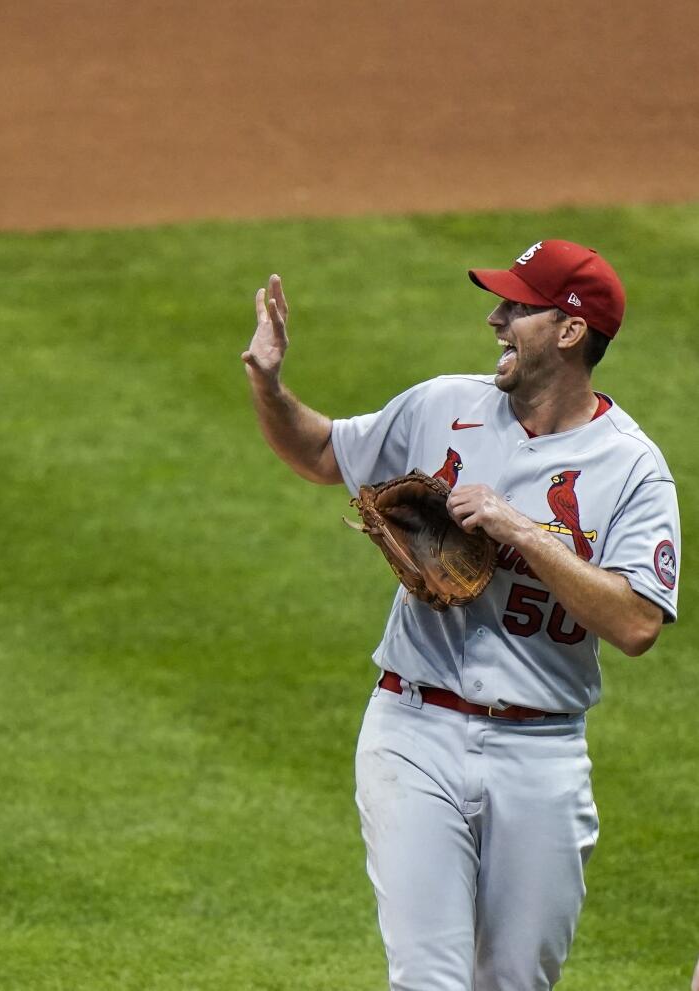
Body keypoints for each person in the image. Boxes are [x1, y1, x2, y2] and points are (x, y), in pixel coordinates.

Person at [241, 240, 680, 991]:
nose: (495, 317)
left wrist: (519, 532)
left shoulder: (632, 469)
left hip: (541, 754)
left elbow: (638, 622)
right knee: (430, 979)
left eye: (517, 307)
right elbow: (320, 453)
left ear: (570, 331)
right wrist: (270, 386)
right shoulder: (443, 405)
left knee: (513, 982)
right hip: (414, 729)